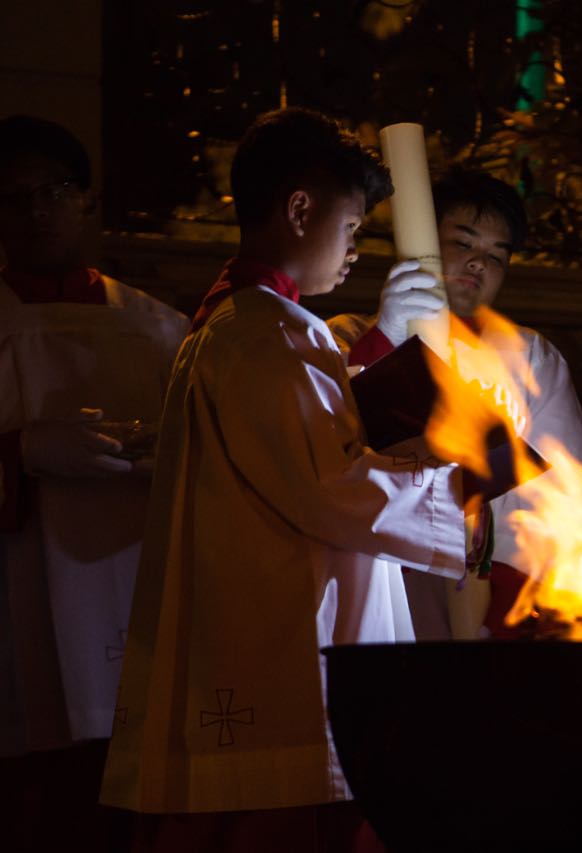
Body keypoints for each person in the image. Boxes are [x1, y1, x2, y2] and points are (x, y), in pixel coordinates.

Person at [100, 107, 468, 851]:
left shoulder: (248, 323)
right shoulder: (267, 331)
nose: (355, 250)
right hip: (289, 637)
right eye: (352, 227)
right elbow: (331, 486)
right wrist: (467, 503)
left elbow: (305, 447)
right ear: (300, 209)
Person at [0, 114, 188, 851]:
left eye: (51, 192)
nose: (35, 213)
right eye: (13, 198)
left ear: (86, 199)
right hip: (19, 599)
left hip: (136, 587)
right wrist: (20, 451)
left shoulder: (163, 330)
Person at [329, 168, 582, 640]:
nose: (478, 264)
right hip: (373, 586)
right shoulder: (345, 336)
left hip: (488, 600)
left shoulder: (531, 357)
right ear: (423, 240)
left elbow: (561, 492)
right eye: (463, 243)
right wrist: (385, 339)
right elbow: (328, 447)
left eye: (496, 256)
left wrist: (511, 597)